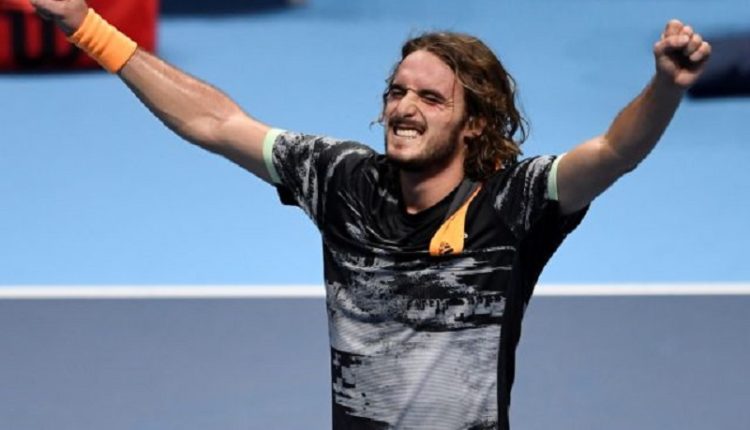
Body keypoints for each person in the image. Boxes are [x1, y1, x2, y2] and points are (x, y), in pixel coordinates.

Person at [28, 0, 712, 428]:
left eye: (430, 99)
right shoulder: (342, 180)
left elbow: (615, 151)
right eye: (396, 91)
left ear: (474, 123)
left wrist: (665, 85)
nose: (404, 109)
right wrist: (88, 26)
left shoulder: (515, 202)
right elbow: (217, 123)